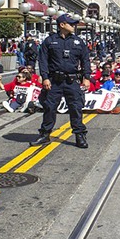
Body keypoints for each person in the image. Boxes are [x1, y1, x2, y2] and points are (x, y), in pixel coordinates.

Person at [30, 14, 91, 148]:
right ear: (62, 25)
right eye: (71, 24)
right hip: (54, 81)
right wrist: (45, 77)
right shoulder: (50, 41)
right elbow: (43, 60)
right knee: (49, 108)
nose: (73, 26)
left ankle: (79, 135)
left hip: (72, 80)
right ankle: (45, 135)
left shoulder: (78, 41)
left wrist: (87, 77)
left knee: (76, 108)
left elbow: (85, 60)